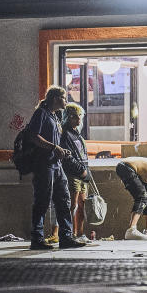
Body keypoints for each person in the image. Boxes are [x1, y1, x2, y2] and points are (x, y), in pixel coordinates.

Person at [27, 86, 84, 250]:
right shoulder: (41, 114)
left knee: (64, 200)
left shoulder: (55, 116)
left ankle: (66, 237)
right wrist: (54, 148)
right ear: (55, 98)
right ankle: (37, 239)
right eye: (64, 97)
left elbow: (54, 139)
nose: (66, 100)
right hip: (44, 165)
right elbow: (33, 136)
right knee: (42, 201)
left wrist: (61, 150)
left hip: (56, 165)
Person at [60, 103, 90, 241]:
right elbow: (68, 157)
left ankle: (80, 233)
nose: (78, 120)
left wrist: (85, 171)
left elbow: (82, 155)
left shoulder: (77, 134)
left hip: (82, 173)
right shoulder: (65, 134)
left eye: (79, 116)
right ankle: (71, 234)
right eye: (74, 117)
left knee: (82, 205)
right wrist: (81, 171)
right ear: (67, 117)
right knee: (73, 205)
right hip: (73, 174)